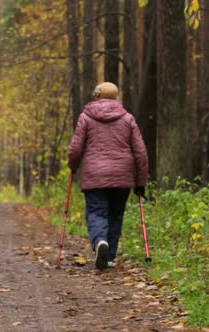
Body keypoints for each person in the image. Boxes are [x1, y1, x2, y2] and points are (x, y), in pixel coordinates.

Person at [67, 82, 148, 270]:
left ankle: (99, 243)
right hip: (122, 176)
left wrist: (73, 166)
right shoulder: (128, 119)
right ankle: (109, 256)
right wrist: (140, 182)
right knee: (116, 214)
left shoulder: (86, 117)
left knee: (96, 212)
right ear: (116, 97)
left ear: (97, 96)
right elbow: (140, 152)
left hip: (95, 176)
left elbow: (75, 148)